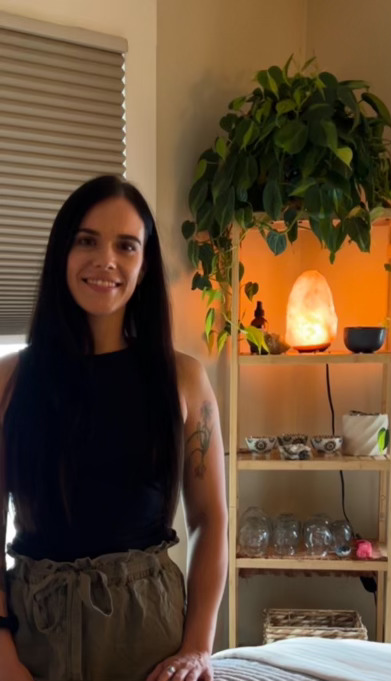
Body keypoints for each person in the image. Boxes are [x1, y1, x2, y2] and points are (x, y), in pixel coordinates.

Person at [0, 175, 228, 681]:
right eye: (86, 241)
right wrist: (2, 649)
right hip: (33, 629)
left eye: (126, 246)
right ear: (62, 253)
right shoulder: (11, 380)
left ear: (143, 266)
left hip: (148, 632)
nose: (106, 260)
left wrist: (198, 647)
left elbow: (210, 520)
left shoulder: (183, 378)